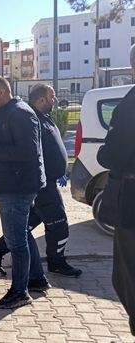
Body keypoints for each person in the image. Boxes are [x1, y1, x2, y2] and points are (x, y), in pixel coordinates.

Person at [0, 84, 83, 278]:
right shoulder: (29, 118)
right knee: (59, 225)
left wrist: (61, 169)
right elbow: (26, 152)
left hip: (49, 180)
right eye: (52, 96)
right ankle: (56, 263)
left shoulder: (44, 116)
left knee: (24, 225)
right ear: (41, 99)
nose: (55, 100)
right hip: (41, 184)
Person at [0, 75, 49, 309]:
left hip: (17, 187)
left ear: (1, 92)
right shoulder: (6, 112)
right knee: (22, 234)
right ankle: (36, 279)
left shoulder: (20, 113)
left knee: (15, 240)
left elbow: (27, 152)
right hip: (11, 184)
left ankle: (20, 291)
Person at [96, 44, 135, 334]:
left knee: (127, 276)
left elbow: (114, 155)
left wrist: (103, 154)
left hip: (131, 203)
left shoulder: (130, 105)